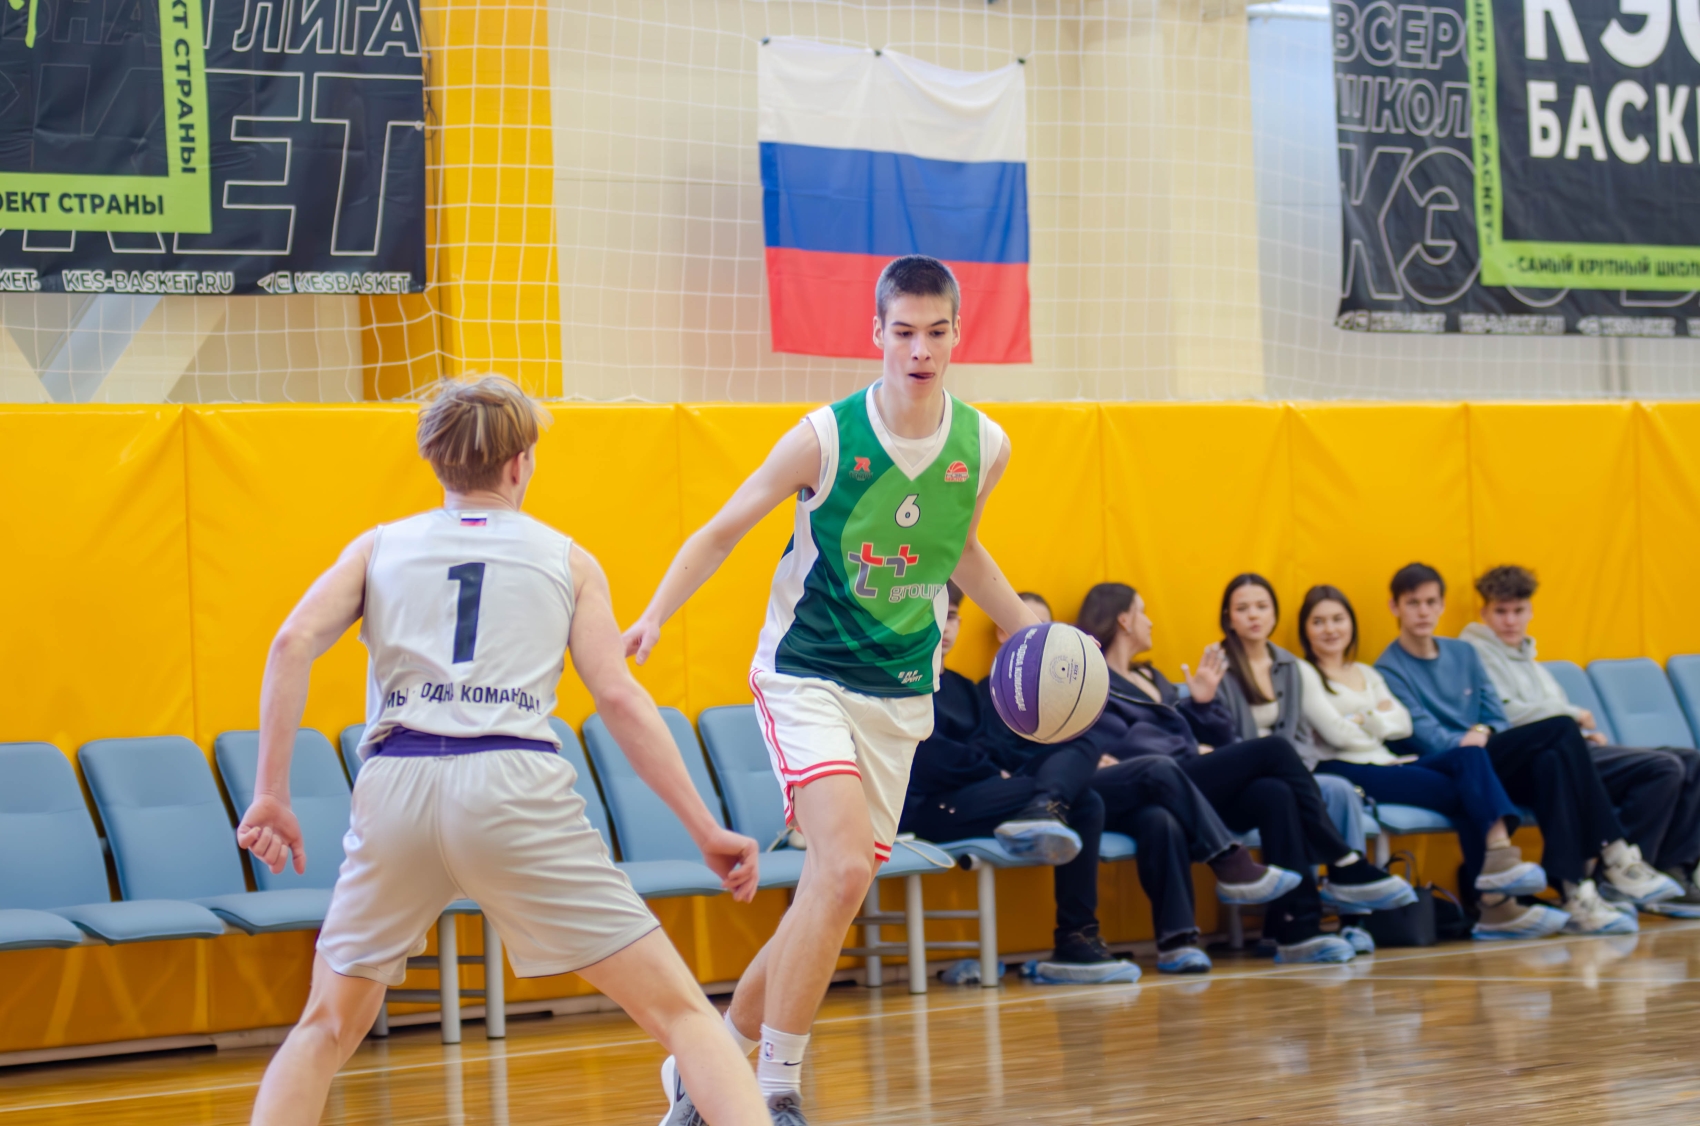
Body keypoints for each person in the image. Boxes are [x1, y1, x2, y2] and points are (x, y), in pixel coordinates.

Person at [236, 377, 768, 1126]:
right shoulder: (567, 559)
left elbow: (291, 642)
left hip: (396, 780)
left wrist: (270, 793)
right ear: (521, 463)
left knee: (324, 1028)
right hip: (512, 782)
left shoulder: (379, 547)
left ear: (436, 460)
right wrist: (705, 827)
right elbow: (619, 700)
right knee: (683, 1014)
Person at [623, 256, 1040, 1126]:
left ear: (957, 335)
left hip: (900, 692)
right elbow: (724, 528)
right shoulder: (826, 437)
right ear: (876, 332)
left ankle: (707, 1068)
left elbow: (961, 550)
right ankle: (775, 1087)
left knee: (830, 890)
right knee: (844, 866)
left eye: (936, 332)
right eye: (904, 331)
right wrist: (655, 614)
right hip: (806, 674)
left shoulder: (985, 446)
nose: (920, 350)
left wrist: (1029, 632)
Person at [1074, 582, 1415, 965]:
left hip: (1185, 779)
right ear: (1124, 620)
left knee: (1273, 792)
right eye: (1143, 611)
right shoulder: (1094, 682)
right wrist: (1188, 750)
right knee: (1275, 749)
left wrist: (1203, 704)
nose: (1150, 621)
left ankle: (1298, 929)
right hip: (1152, 781)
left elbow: (1219, 739)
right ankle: (1341, 861)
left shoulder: (1153, 678)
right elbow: (1115, 746)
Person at [963, 592, 1303, 974]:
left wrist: (1200, 711)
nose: (1037, 634)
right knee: (1157, 769)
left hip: (1095, 785)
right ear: (1003, 631)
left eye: (1043, 626)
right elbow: (1001, 751)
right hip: (1055, 788)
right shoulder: (995, 690)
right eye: (1028, 624)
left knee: (1161, 818)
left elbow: (1097, 740)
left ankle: (1177, 941)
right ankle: (1229, 860)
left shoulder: (1073, 687)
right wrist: (1081, 758)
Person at [1374, 563, 1680, 936]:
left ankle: (1575, 894)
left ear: (1441, 605)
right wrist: (1469, 738)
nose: (1423, 612)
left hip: (1487, 755)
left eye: (1430, 602)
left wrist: (1481, 731)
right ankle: (1614, 853)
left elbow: (1496, 718)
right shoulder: (1388, 669)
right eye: (1413, 603)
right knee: (1562, 727)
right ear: (1394, 607)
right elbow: (1431, 739)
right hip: (1449, 766)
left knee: (1551, 760)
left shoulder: (1463, 653)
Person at [1295, 584, 1566, 940]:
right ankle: (1495, 899)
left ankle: (1499, 863)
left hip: (1388, 761)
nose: (1330, 629)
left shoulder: (1366, 672)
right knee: (1467, 791)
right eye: (1319, 622)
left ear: (1351, 624)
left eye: (1338, 619)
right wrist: (1375, 717)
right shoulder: (1303, 672)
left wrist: (1361, 720)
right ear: (1306, 630)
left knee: (1471, 755)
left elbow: (1402, 724)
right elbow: (1338, 735)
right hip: (1344, 769)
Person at [901, 585, 1138, 982]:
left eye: (952, 615)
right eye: (934, 612)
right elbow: (927, 759)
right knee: (1081, 801)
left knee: (1085, 763)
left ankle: (1076, 937)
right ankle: (1074, 931)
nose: (944, 626)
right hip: (931, 810)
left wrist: (1003, 769)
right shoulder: (900, 686)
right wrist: (993, 772)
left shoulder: (962, 688)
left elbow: (987, 747)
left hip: (978, 795)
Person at [1462, 565, 1700, 914]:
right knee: (1663, 769)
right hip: (1534, 758)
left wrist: (1582, 728)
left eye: (1518, 610)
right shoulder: (1474, 653)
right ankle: (1618, 872)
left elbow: (1552, 715)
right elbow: (1508, 716)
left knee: (1692, 761)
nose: (1510, 620)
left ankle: (1674, 870)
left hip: (1568, 746)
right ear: (1484, 613)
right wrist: (1575, 716)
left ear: (1530, 611)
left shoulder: (1530, 659)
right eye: (1501, 611)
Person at [1212, 573, 1375, 865]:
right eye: (1242, 609)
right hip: (1244, 778)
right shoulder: (1216, 665)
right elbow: (1219, 738)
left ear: (1274, 614)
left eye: (1262, 606)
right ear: (1229, 618)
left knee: (1340, 788)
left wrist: (1297, 769)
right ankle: (1312, 878)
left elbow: (1301, 736)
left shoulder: (1290, 665)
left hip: (1290, 771)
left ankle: (1351, 878)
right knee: (1282, 790)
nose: (1253, 615)